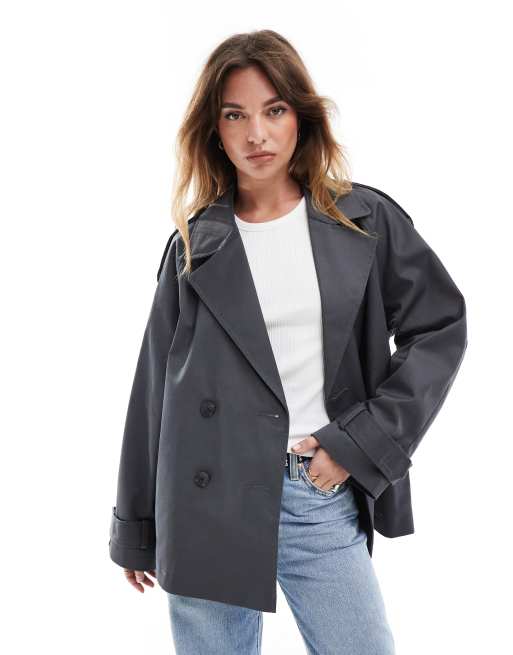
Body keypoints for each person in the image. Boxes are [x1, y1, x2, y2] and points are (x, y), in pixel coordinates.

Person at [109, 29, 467, 654]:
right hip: (207, 500)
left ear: (300, 116)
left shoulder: (363, 220)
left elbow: (438, 327)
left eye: (273, 110)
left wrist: (359, 444)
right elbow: (154, 390)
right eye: (235, 115)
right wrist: (136, 526)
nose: (257, 135)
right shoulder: (193, 247)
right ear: (214, 131)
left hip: (316, 488)